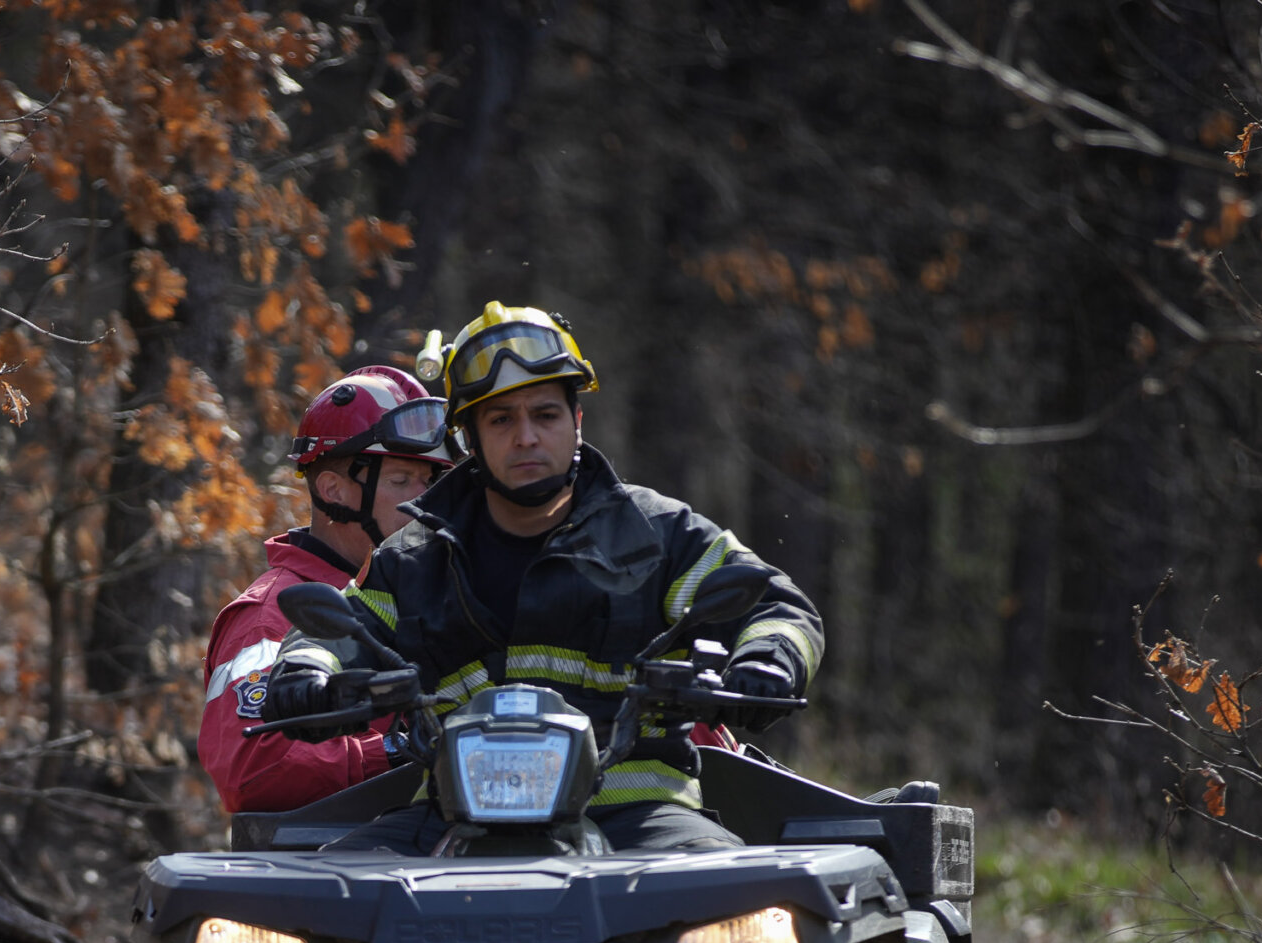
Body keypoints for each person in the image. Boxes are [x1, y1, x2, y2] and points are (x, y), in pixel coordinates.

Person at [262, 303, 822, 852]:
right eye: (501, 420)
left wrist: (767, 660)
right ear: (468, 439)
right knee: (325, 909)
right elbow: (340, 628)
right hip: (451, 816)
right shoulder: (413, 558)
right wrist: (305, 669)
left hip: (641, 813)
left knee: (731, 902)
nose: (526, 437)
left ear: (576, 423)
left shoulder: (655, 532)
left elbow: (776, 607)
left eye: (546, 415)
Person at [198, 367, 453, 815]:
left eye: (429, 482)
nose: (422, 500)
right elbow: (254, 768)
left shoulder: (425, 595)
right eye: (401, 481)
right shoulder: (270, 616)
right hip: (334, 869)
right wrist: (398, 749)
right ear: (334, 491)